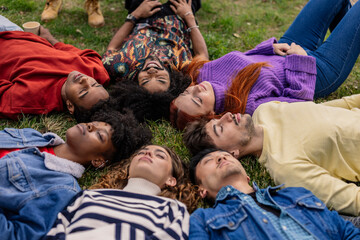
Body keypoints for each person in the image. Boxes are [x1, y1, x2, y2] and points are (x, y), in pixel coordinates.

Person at [170, 0, 360, 130]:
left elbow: (245, 58)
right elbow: (299, 105)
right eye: (198, 99)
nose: (197, 89)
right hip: (316, 71)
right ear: (211, 115)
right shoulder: (246, 108)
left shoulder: (204, 74)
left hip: (286, 46)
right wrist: (300, 61)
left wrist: (271, 47)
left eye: (188, 92)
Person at [183, 93, 360, 217]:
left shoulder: (265, 110)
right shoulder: (285, 167)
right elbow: (353, 200)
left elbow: (339, 106)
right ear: (231, 154)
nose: (227, 116)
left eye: (219, 119)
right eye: (220, 128)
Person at [0, 109, 152, 240]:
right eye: (95, 123)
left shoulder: (63, 190)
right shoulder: (30, 135)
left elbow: (19, 235)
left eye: (100, 135)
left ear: (98, 161)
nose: (91, 126)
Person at [188, 149, 360, 239]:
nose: (221, 158)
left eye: (225, 155)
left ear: (247, 175)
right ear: (201, 190)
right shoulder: (203, 220)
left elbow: (345, 232)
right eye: (209, 161)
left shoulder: (295, 195)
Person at [46, 144, 200, 239]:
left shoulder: (172, 209)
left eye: (159, 156)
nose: (147, 153)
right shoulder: (89, 195)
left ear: (171, 180)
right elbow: (57, 229)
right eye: (141, 152)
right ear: (128, 170)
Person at [0, 15, 110, 120]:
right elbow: (92, 56)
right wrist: (50, 39)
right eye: (95, 84)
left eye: (83, 91)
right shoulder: (95, 71)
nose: (85, 80)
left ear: (70, 106)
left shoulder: (33, 98)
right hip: (17, 33)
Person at [102, 0, 208, 93]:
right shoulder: (182, 69)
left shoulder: (121, 67)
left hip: (142, 18)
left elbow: (112, 48)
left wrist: (134, 15)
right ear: (172, 82)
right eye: (161, 79)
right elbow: (202, 55)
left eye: (145, 80)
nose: (152, 71)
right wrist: (189, 17)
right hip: (178, 17)